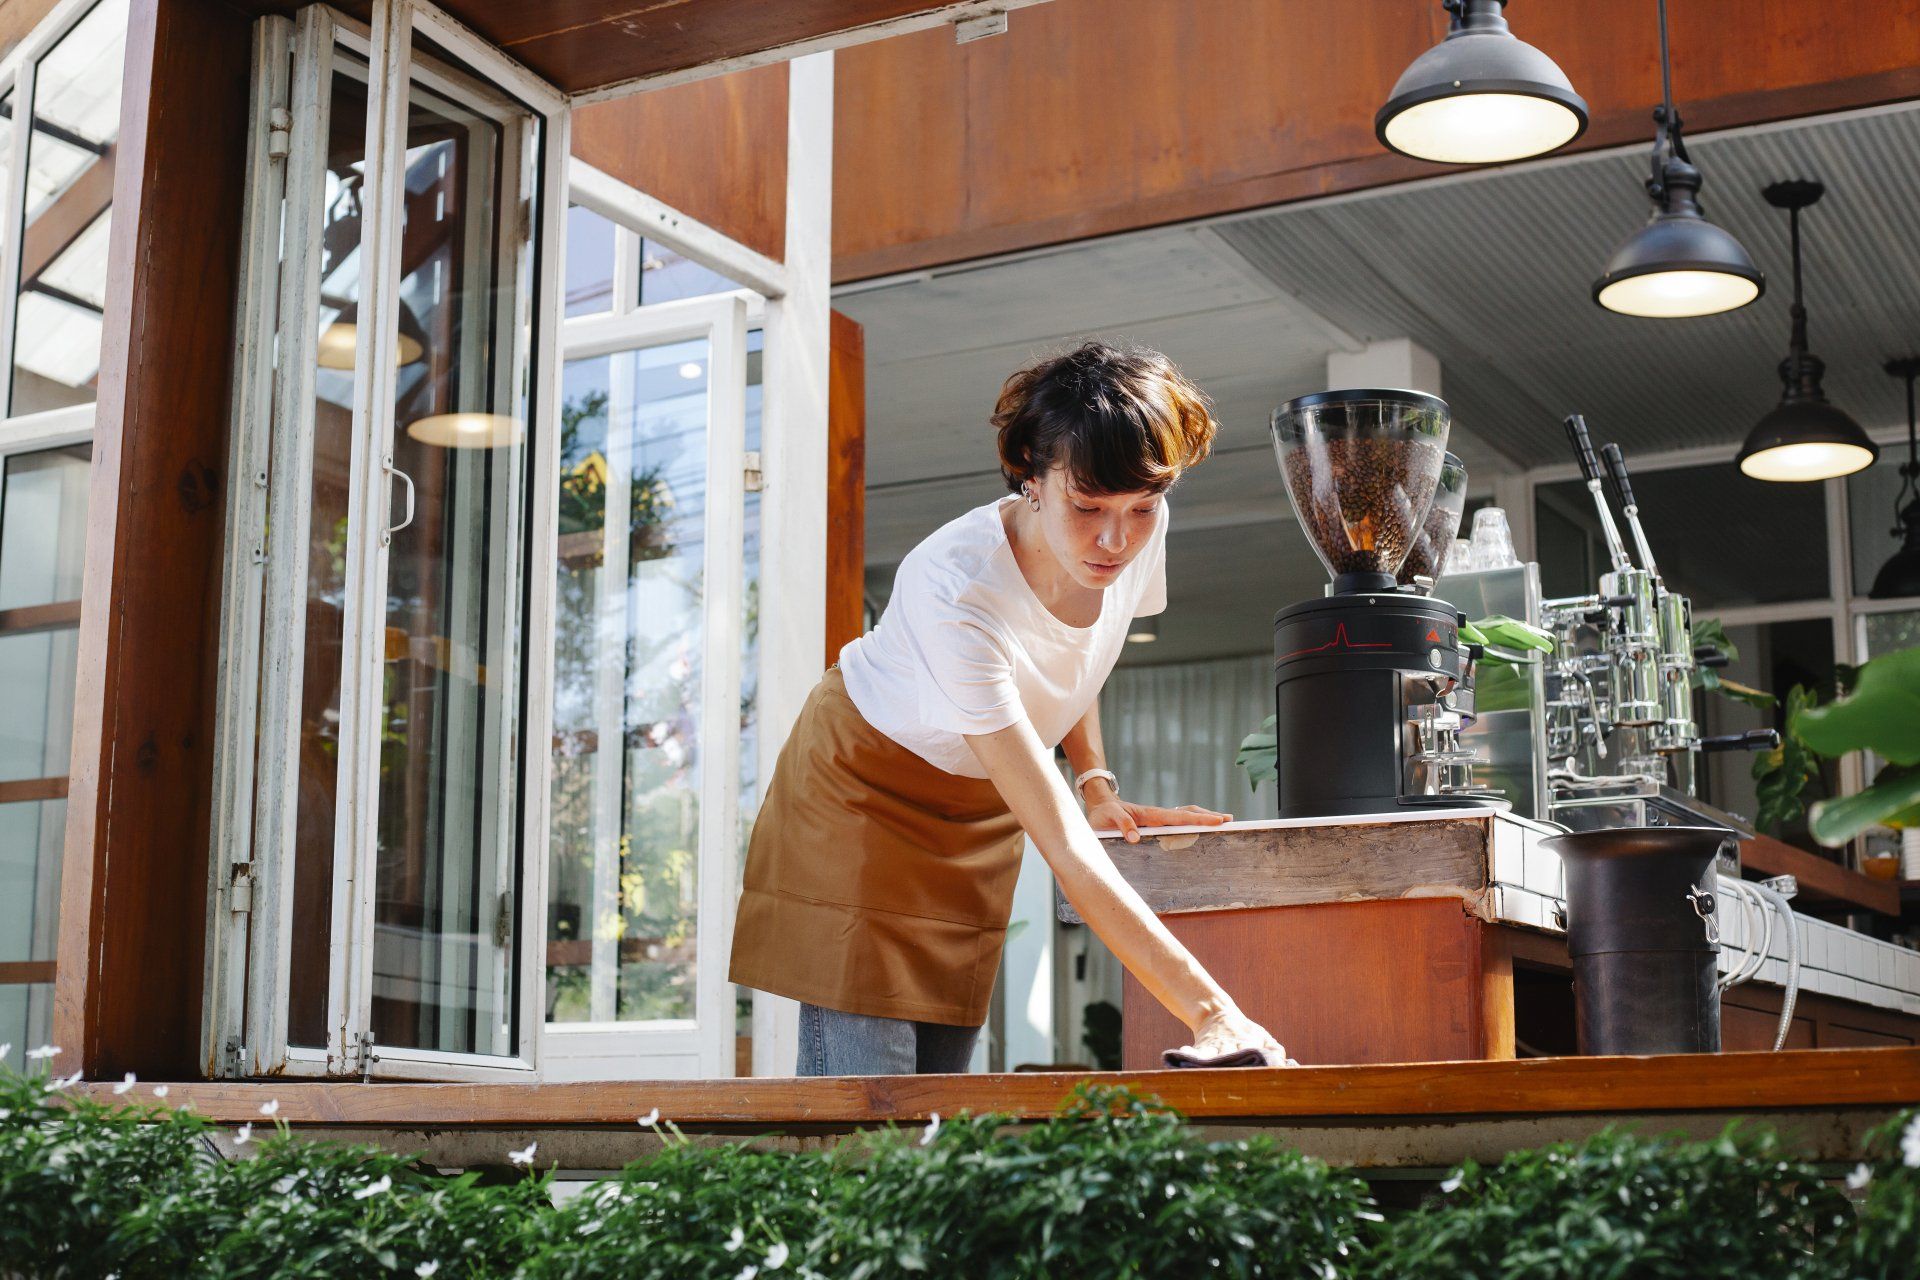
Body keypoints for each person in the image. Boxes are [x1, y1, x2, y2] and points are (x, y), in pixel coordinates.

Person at [729, 341, 1287, 1076]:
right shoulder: (956, 587)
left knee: (943, 1088)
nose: (1115, 538)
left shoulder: (1134, 527)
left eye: (1142, 508)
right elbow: (1063, 850)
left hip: (979, 802)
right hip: (861, 792)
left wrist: (1095, 782)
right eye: (1087, 506)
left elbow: (1076, 657)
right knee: (872, 1105)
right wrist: (1214, 1014)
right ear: (1031, 472)